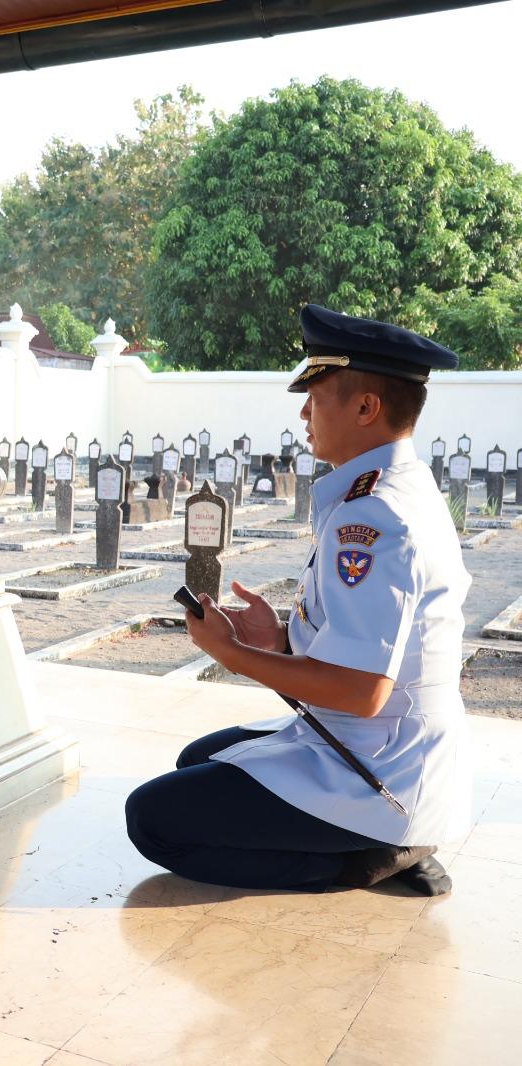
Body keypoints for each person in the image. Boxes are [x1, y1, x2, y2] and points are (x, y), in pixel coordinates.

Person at [126, 305, 470, 896]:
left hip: (377, 763)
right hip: (378, 741)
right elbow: (378, 644)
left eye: (316, 394)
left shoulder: (375, 517)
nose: (304, 412)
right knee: (198, 759)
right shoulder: (392, 488)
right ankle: (387, 837)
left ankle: (370, 858)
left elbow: (361, 692)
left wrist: (233, 655)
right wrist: (279, 640)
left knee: (153, 822)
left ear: (367, 408)